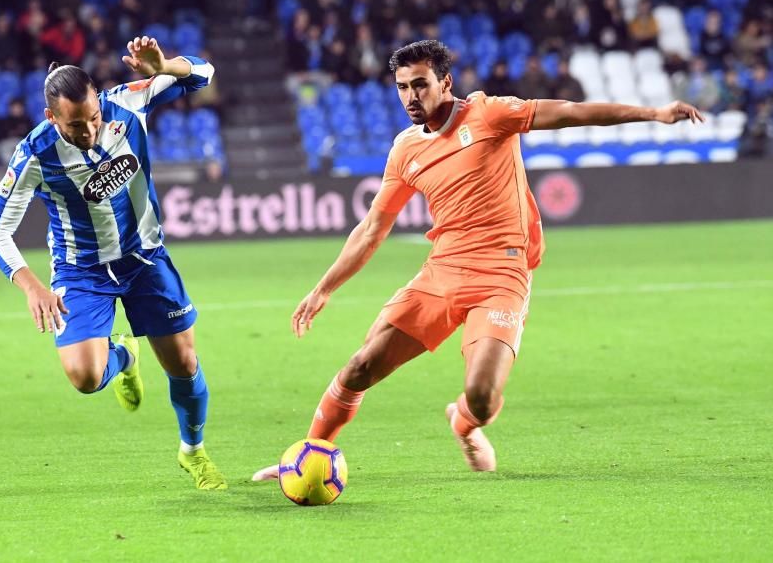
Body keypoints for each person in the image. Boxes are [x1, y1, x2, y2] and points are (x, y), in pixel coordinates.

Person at [252, 40, 703, 481]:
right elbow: (372, 229)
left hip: (502, 274)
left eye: (421, 85)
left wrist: (654, 113)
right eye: (403, 87)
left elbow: (569, 112)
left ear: (445, 82)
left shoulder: (490, 114)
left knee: (483, 396)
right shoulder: (407, 149)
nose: (411, 96)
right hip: (442, 271)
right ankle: (309, 455)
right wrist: (324, 288)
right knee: (360, 367)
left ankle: (464, 424)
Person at [0, 36, 227, 490]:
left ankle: (193, 452)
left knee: (184, 365)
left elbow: (205, 75)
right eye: (75, 125)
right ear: (50, 117)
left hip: (145, 258)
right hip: (82, 271)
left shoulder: (127, 104)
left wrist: (166, 66)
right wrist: (32, 285)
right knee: (85, 376)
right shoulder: (34, 155)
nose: (90, 131)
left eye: (93, 117)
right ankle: (124, 355)